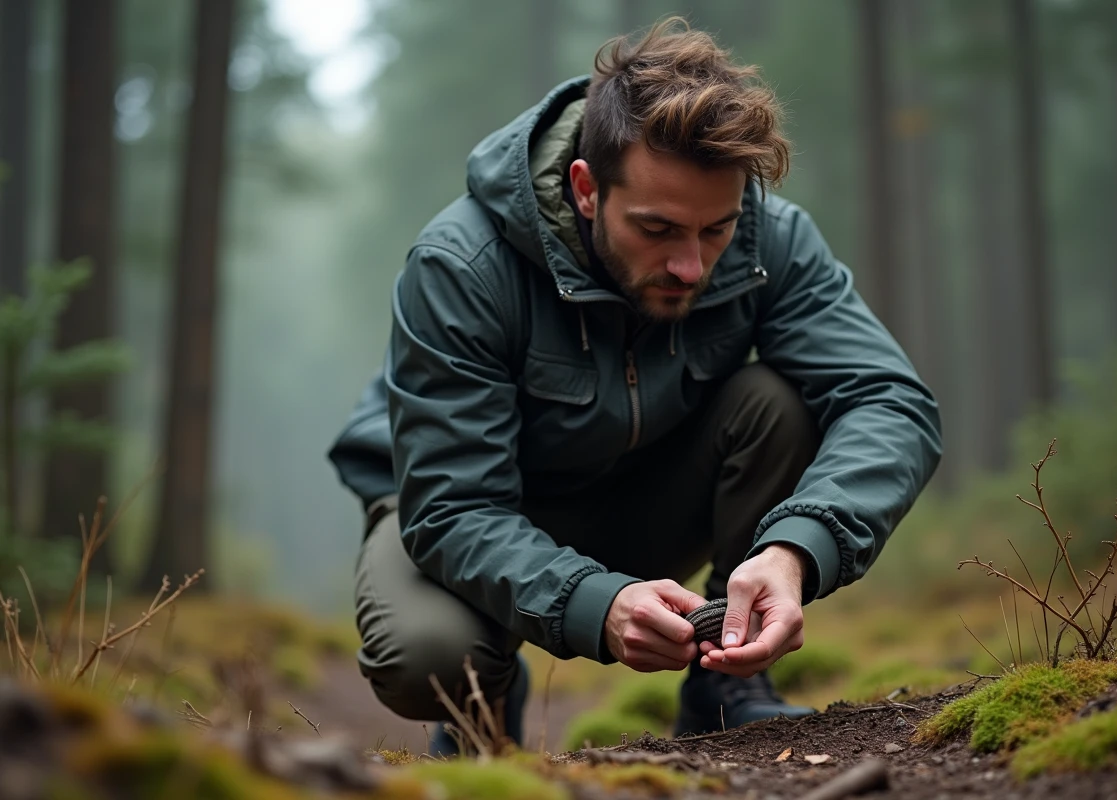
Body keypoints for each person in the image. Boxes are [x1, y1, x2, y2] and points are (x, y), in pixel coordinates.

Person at [327, 18, 941, 754]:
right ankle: (485, 702)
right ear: (586, 190)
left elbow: (891, 401)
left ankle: (728, 683)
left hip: (647, 495)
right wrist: (597, 602)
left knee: (776, 404)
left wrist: (796, 551)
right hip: (460, 513)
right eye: (658, 230)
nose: (692, 263)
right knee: (427, 656)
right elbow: (454, 506)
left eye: (715, 229)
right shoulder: (462, 265)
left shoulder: (770, 239)